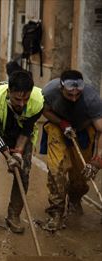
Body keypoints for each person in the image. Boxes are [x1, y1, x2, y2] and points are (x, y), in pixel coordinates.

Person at [0, 71, 44, 234]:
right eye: (17, 99)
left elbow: (27, 130)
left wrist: (18, 154)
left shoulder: (39, 101)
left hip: (20, 132)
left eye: (25, 99)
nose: (21, 103)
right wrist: (7, 156)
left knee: (23, 171)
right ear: (8, 92)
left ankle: (14, 215)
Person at [40, 70, 102, 230]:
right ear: (61, 88)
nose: (74, 98)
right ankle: (56, 212)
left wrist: (96, 161)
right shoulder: (49, 91)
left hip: (83, 129)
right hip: (58, 128)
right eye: (69, 95)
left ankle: (74, 199)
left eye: (77, 94)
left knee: (82, 175)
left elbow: (101, 131)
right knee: (56, 169)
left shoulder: (92, 99)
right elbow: (45, 110)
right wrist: (62, 123)